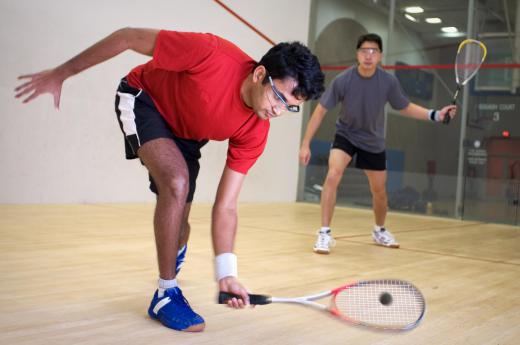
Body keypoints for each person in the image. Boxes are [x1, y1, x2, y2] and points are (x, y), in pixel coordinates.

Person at [15, 28, 325, 331]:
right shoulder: (211, 53)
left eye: (290, 106)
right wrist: (61, 73)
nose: (279, 110)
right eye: (278, 97)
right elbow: (127, 37)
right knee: (177, 183)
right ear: (260, 75)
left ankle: (173, 249)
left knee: (180, 226)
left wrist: (226, 273)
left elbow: (227, 206)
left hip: (186, 136)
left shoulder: (256, 130)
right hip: (142, 99)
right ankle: (165, 293)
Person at [299, 33, 455, 254]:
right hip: (346, 135)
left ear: (380, 56)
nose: (368, 55)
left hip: (373, 140)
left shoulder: (388, 81)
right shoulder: (343, 80)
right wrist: (306, 143)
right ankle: (324, 233)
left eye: (373, 51)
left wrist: (435, 115)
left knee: (379, 190)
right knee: (333, 174)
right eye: (364, 51)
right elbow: (320, 110)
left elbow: (405, 106)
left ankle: (379, 230)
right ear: (357, 54)